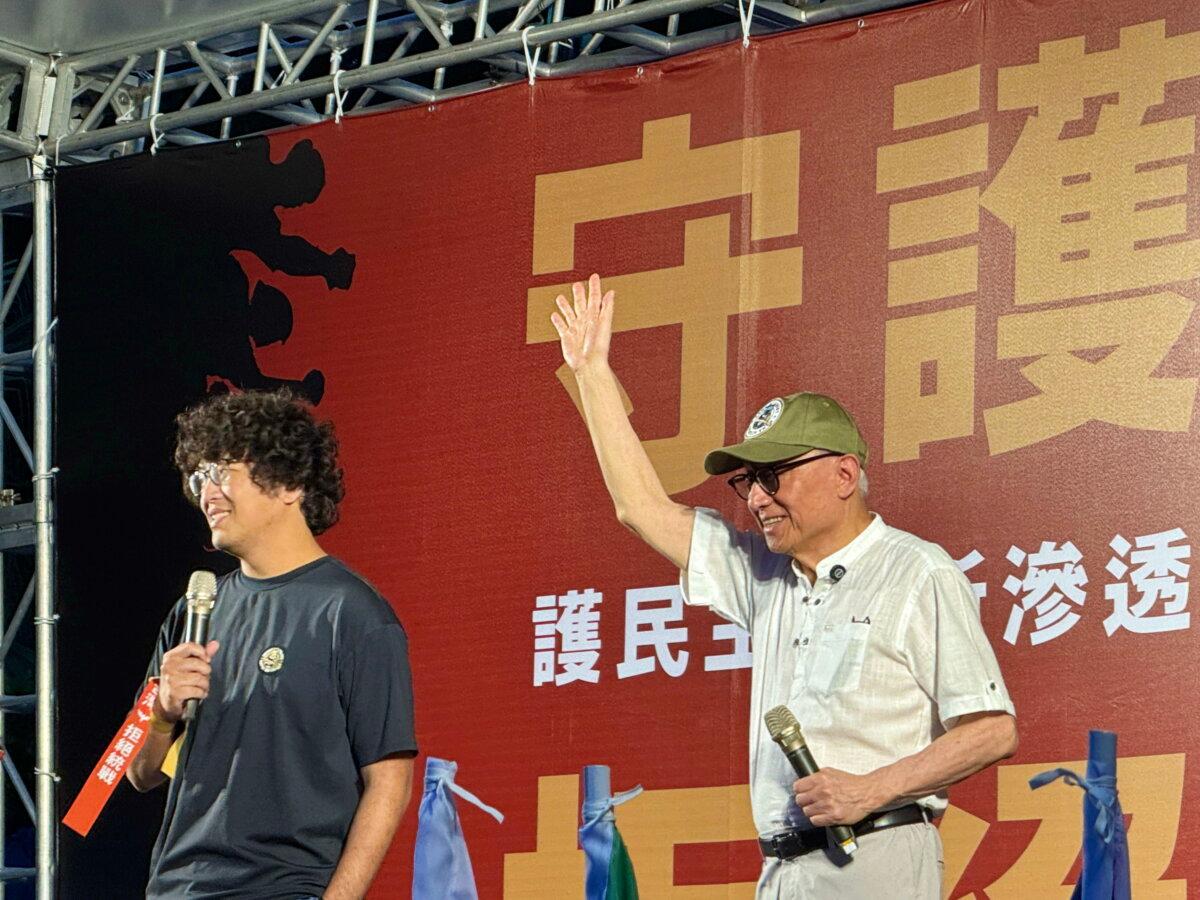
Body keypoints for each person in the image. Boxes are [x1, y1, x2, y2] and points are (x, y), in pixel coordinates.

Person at [551, 274, 1017, 897]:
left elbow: (993, 729)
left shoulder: (916, 571)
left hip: (876, 855)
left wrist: (870, 788)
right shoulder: (764, 574)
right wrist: (592, 374)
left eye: (774, 476)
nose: (758, 499)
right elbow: (642, 509)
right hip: (782, 869)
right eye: (747, 482)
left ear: (844, 474)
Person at [127, 389, 417, 900]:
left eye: (222, 472)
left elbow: (389, 783)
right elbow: (138, 772)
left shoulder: (352, 614)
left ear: (287, 483)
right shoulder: (194, 611)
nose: (207, 494)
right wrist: (164, 710)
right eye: (199, 478)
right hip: (176, 887)